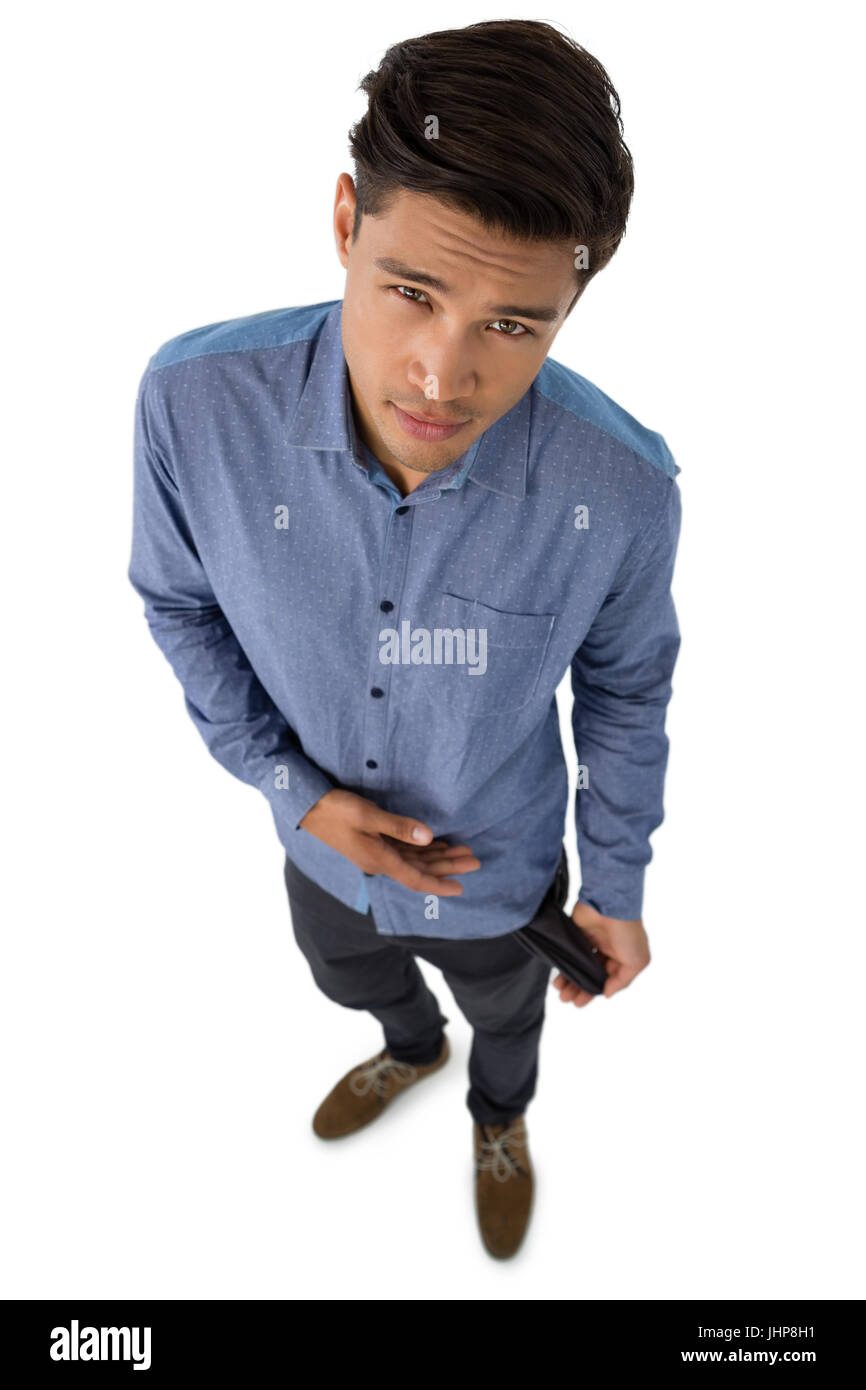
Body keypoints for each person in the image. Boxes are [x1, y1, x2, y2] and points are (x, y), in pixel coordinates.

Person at [128, 18, 682, 1261]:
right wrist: (294, 792)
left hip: (500, 881)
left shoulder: (626, 491)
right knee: (348, 975)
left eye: (512, 324)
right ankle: (404, 1048)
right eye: (412, 293)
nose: (441, 376)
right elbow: (178, 604)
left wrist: (618, 882)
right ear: (343, 223)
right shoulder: (187, 406)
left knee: (509, 1020)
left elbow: (625, 690)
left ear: (571, 300)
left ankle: (495, 1112)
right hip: (315, 857)